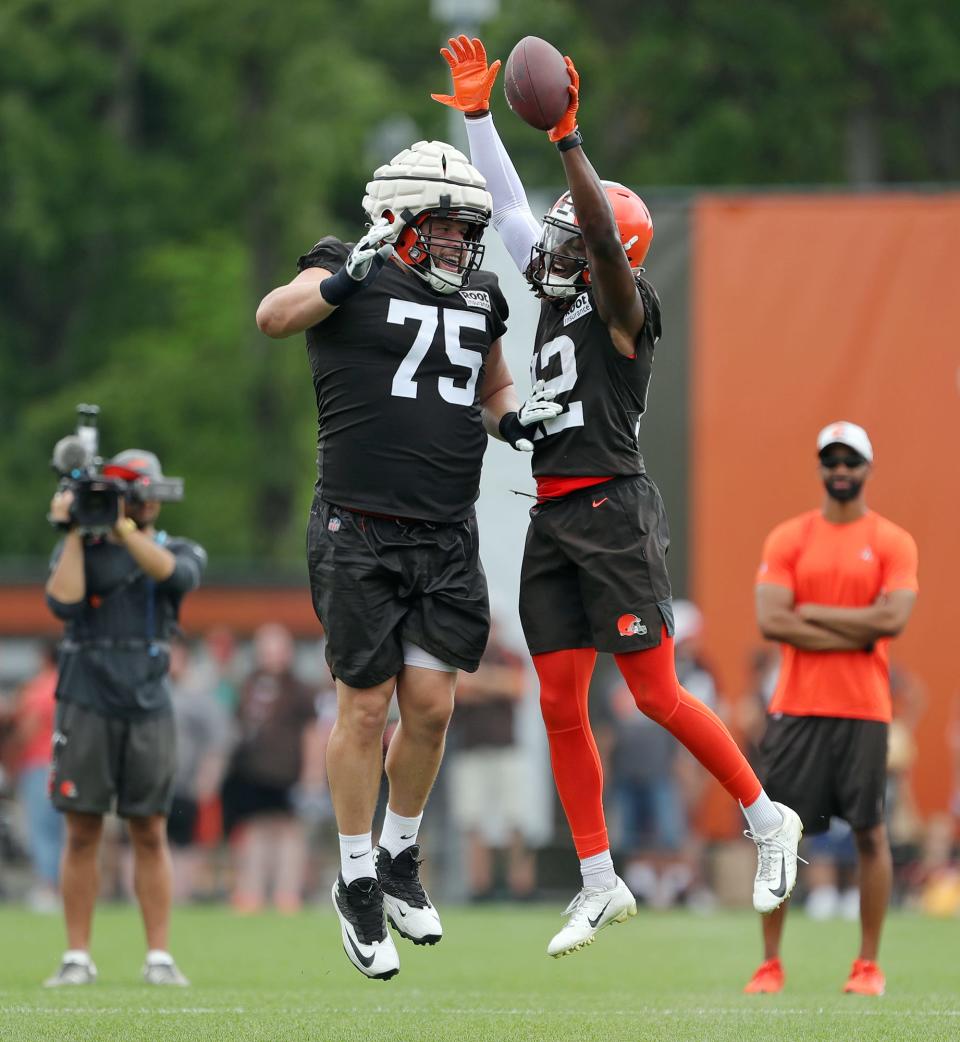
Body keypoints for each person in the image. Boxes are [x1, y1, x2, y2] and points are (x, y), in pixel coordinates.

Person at [432, 35, 802, 959]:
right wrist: (480, 119)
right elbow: (515, 209)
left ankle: (767, 819)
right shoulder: (557, 286)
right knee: (558, 701)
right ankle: (600, 882)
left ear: (610, 254)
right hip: (551, 511)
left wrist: (567, 137)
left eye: (575, 236)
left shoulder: (625, 308)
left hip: (611, 507)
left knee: (655, 695)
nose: (552, 245)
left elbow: (594, 233)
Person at [255, 140, 559, 980]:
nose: (464, 245)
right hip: (358, 526)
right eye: (448, 228)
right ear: (400, 222)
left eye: (470, 230)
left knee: (430, 706)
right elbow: (274, 317)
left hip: (446, 530)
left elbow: (489, 384)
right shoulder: (342, 271)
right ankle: (354, 880)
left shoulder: (479, 294)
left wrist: (516, 423)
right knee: (366, 705)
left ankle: (397, 857)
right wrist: (345, 278)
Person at [745, 421, 918, 996]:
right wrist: (857, 624)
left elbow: (893, 620)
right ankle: (770, 964)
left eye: (851, 461)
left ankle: (867, 966)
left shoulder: (893, 541)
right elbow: (771, 620)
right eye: (832, 461)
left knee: (870, 833)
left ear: (868, 468)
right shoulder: (789, 538)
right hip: (796, 709)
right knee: (779, 837)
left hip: (865, 711)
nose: (841, 470)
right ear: (821, 468)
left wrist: (809, 615)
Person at [44, 449, 206, 986]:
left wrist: (119, 528)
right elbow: (63, 604)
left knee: (149, 829)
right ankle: (76, 956)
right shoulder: (80, 550)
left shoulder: (172, 547)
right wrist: (72, 530)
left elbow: (173, 575)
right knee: (83, 828)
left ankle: (159, 956)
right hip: (86, 697)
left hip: (147, 701)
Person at [220, 624, 318, 914]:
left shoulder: (301, 689)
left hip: (287, 772)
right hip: (250, 772)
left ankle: (286, 893)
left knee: (288, 831)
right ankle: (251, 892)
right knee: (253, 831)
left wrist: (311, 773)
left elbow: (312, 733)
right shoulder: (247, 685)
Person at [447, 620, 535, 901]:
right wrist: (495, 682)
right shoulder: (464, 654)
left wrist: (479, 682)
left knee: (516, 819)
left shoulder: (512, 656)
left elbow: (518, 687)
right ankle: (480, 887)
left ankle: (520, 887)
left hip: (507, 750)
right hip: (470, 750)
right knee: (473, 822)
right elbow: (458, 688)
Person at [8, 642, 64, 912]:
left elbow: (27, 729)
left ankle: (47, 887)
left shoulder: (38, 688)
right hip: (70, 765)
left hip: (40, 765)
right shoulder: (73, 686)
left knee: (42, 830)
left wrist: (12, 759)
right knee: (67, 830)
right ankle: (68, 886)